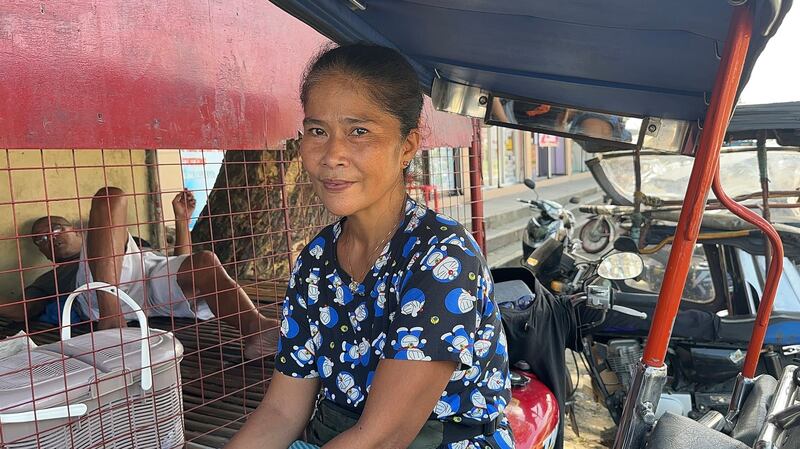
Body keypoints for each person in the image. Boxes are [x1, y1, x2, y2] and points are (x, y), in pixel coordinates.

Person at [227, 44, 514, 449]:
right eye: (317, 131)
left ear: (408, 146)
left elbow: (382, 437)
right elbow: (281, 412)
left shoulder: (441, 258)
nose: (332, 155)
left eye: (359, 131)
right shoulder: (316, 262)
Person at [0, 189, 278, 360]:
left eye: (56, 230)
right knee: (110, 196)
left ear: (76, 230)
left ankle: (256, 328)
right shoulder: (51, 277)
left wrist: (181, 219)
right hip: (100, 293)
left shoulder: (127, 241)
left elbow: (177, 261)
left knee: (204, 261)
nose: (50, 239)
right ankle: (111, 321)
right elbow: (20, 310)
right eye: (41, 241)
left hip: (146, 277)